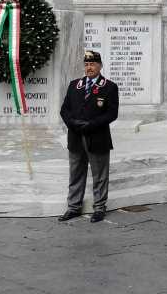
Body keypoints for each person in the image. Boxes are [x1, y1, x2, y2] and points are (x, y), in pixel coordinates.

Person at [58, 50, 119, 223]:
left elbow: (112, 113)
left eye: (92, 64)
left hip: (97, 137)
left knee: (100, 175)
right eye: (86, 65)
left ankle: (99, 208)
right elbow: (64, 110)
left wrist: (91, 124)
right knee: (76, 173)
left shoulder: (109, 87)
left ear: (100, 66)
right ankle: (74, 207)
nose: (89, 68)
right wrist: (73, 124)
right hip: (76, 136)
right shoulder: (74, 85)